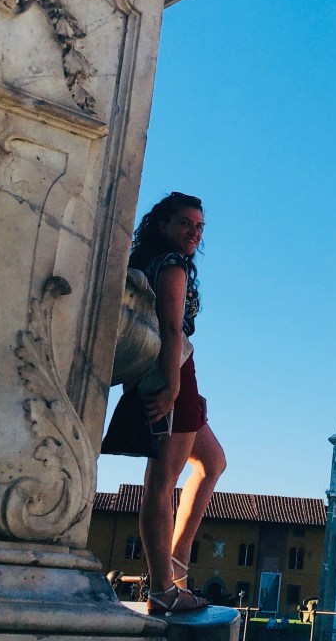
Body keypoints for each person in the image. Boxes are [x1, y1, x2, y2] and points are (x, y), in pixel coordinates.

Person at [130, 191, 227, 614]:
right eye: (185, 223)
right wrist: (172, 388)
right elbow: (171, 328)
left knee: (212, 462)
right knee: (162, 481)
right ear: (164, 224)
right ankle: (163, 590)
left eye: (199, 226)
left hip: (171, 367)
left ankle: (176, 565)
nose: (193, 232)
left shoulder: (154, 259)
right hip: (172, 369)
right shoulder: (171, 265)